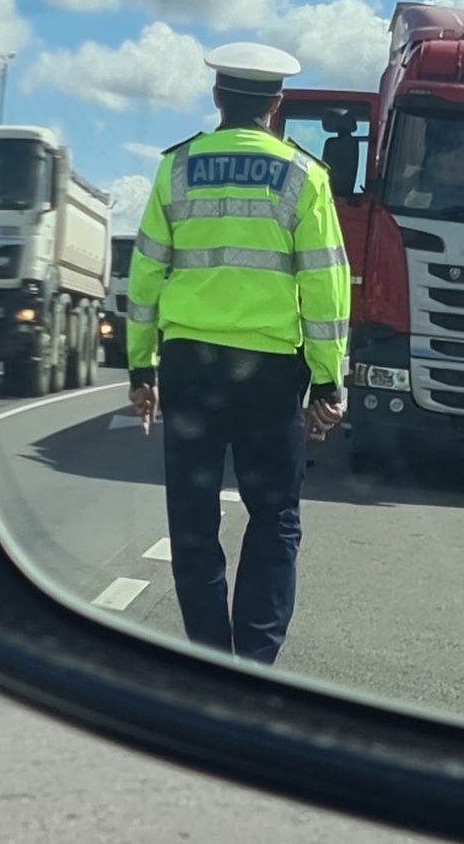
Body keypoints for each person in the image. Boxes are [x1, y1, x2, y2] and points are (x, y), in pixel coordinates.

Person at [126, 43, 352, 664]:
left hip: (189, 366)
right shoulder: (305, 177)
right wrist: (329, 383)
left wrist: (141, 367)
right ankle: (254, 664)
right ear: (277, 105)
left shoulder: (176, 169)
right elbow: (327, 286)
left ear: (218, 97)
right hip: (270, 373)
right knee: (274, 515)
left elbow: (145, 276)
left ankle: (208, 657)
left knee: (193, 521)